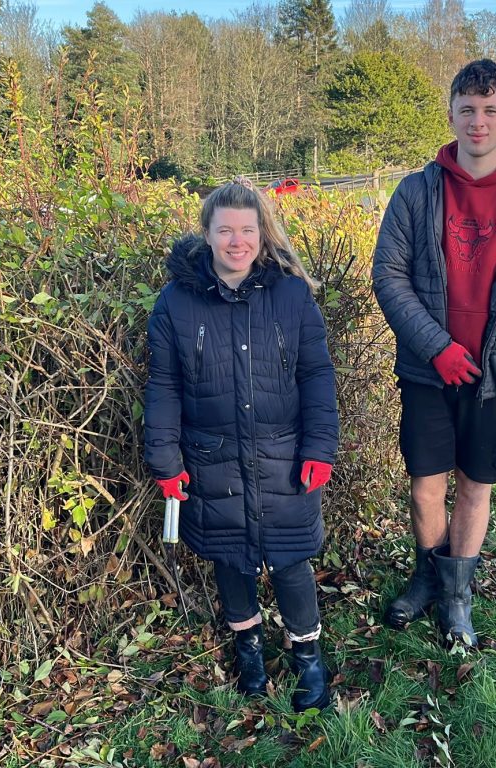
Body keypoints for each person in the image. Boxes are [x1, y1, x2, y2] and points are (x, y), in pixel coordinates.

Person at [372, 59, 496, 647]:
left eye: (489, 111)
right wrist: (436, 348)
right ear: (451, 114)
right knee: (426, 486)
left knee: (475, 486)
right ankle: (426, 578)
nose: (477, 122)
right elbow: (389, 276)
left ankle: (458, 596)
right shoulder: (416, 190)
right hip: (428, 373)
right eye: (466, 110)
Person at [144, 177, 339, 710]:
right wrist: (164, 458)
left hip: (286, 457)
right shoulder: (175, 303)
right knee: (230, 561)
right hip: (212, 459)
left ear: (262, 233)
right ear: (206, 234)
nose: (236, 241)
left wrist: (320, 447)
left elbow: (317, 374)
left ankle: (307, 658)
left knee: (292, 560)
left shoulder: (291, 293)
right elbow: (163, 386)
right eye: (225, 230)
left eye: (246, 230)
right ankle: (248, 648)